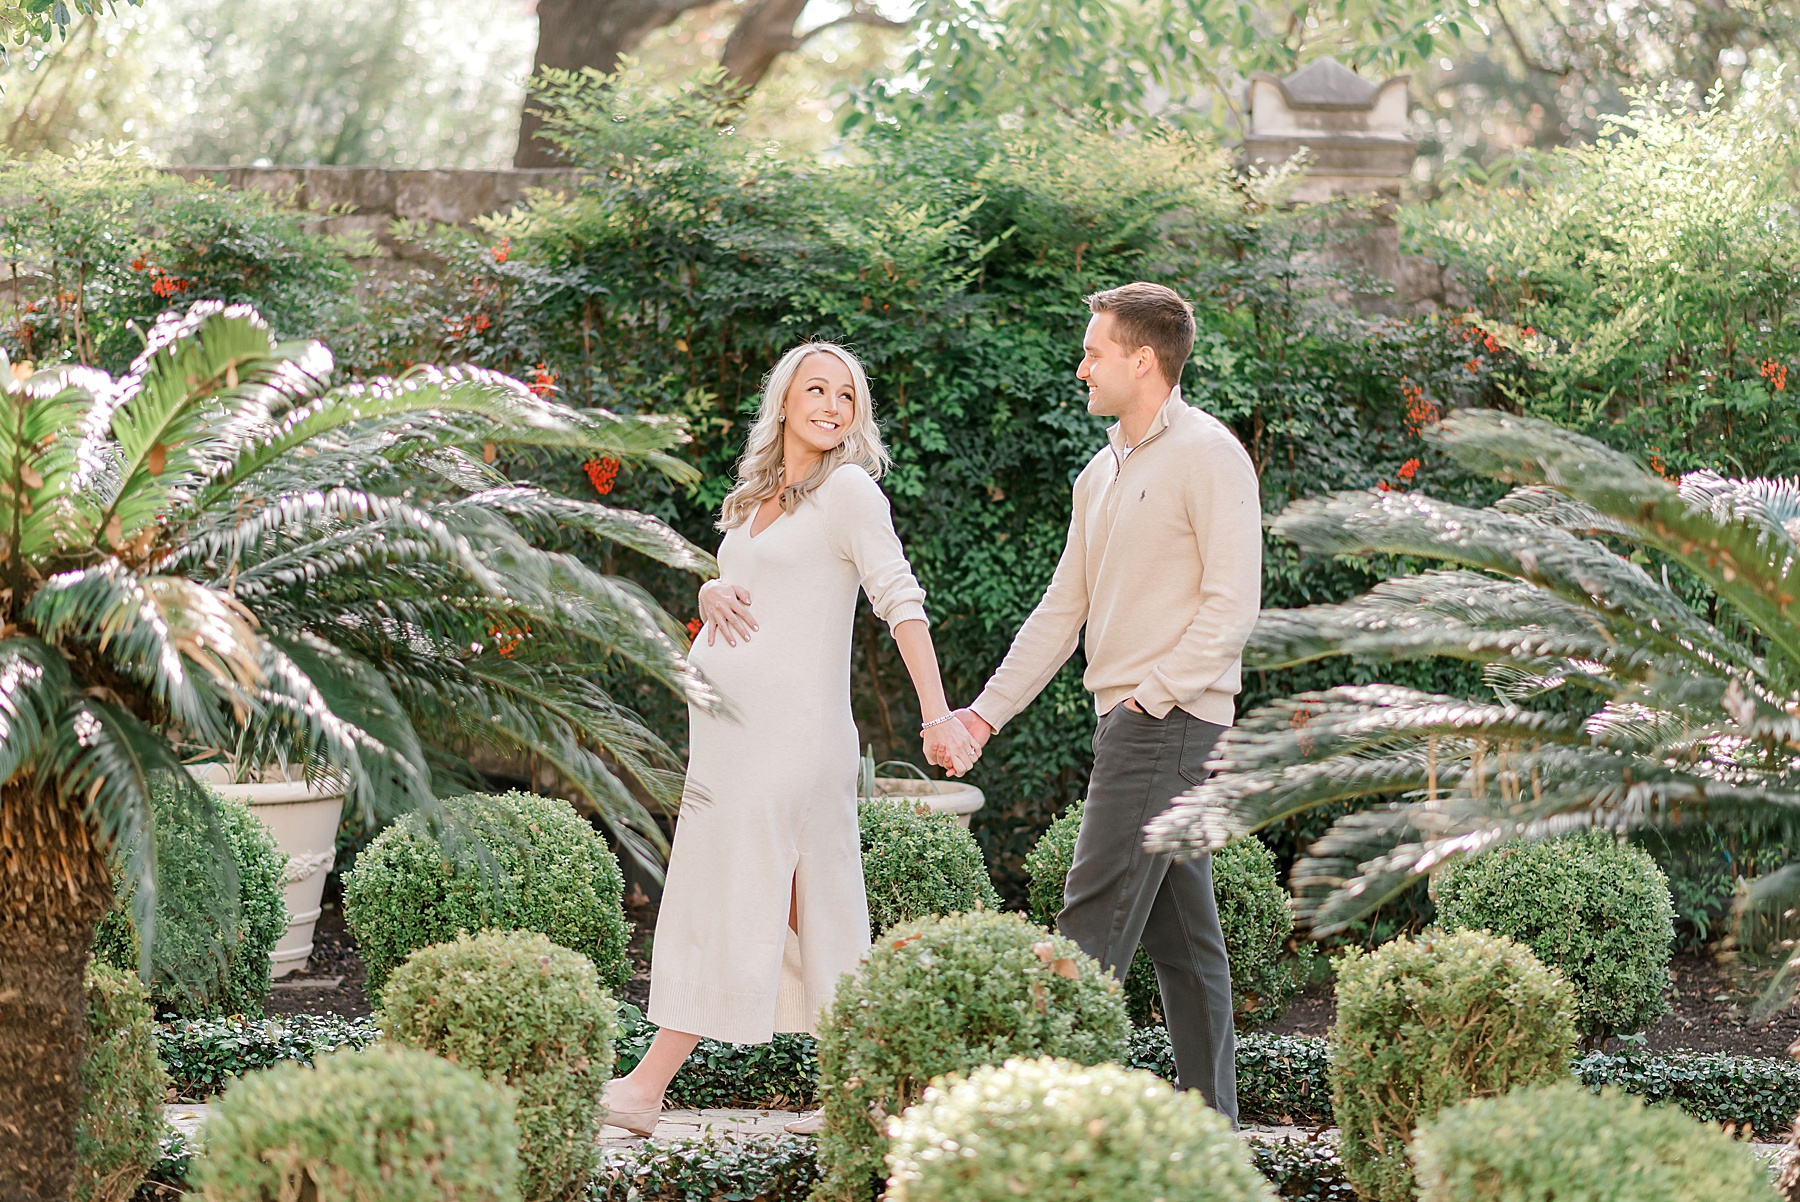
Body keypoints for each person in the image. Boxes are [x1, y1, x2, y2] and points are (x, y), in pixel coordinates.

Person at [604, 341, 980, 1138]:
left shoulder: (849, 493)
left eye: (847, 396)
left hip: (793, 741)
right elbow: (747, 582)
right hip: (730, 746)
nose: (833, 407)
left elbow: (898, 599)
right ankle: (875, 1096)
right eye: (818, 390)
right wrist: (709, 587)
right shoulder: (755, 496)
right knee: (798, 910)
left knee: (762, 898)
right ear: (784, 400)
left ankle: (647, 1087)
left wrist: (938, 712)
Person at [954, 282, 1262, 1123]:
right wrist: (985, 713)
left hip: (1169, 724)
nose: (1081, 365)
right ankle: (1213, 1133)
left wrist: (1148, 702)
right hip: (1141, 724)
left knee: (1089, 923)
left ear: (1142, 359)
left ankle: (1037, 1130)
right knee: (1183, 941)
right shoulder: (1103, 471)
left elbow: (1233, 606)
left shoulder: (1208, 453)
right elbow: (1063, 611)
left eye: (1094, 352)